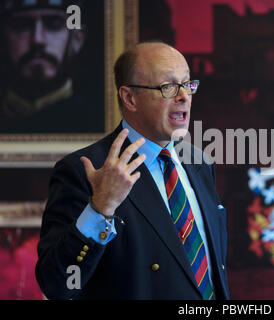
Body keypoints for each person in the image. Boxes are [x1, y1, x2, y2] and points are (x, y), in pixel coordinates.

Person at [35, 41, 229, 300]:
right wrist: (99, 209)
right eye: (168, 87)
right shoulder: (87, 169)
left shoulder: (199, 163)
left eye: (187, 84)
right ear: (129, 98)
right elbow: (57, 283)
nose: (184, 96)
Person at [0, 0, 103, 133]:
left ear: (77, 38)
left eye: (53, 25)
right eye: (21, 26)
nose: (37, 40)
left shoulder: (97, 116)